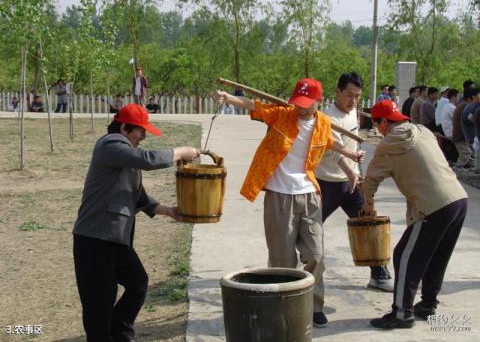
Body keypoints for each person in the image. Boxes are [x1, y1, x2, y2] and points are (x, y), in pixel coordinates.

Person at [215, 78, 365, 327]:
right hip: (279, 196)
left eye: (307, 104)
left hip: (309, 195)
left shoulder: (324, 122)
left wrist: (350, 157)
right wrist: (228, 98)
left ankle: (314, 306)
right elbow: (252, 105)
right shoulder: (281, 115)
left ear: (319, 101)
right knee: (282, 261)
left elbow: (329, 142)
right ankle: (284, 306)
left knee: (315, 255)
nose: (301, 108)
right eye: (298, 102)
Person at [72, 104, 200, 341]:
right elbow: (147, 160)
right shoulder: (110, 144)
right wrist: (180, 152)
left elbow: (137, 196)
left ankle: (120, 329)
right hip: (94, 239)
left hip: (115, 238)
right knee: (99, 305)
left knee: (138, 283)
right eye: (139, 131)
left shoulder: (124, 153)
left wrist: (168, 211)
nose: (143, 136)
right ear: (123, 127)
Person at [361, 100, 468, 329]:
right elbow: (419, 163)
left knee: (404, 256)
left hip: (433, 206)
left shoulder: (388, 143)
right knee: (436, 256)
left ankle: (402, 313)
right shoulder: (423, 131)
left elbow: (370, 180)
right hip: (458, 199)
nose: (378, 129)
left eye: (377, 123)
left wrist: (368, 203)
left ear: (384, 122)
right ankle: (428, 304)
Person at [315, 72, 394, 292]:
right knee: (310, 228)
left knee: (368, 225)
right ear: (337, 92)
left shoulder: (352, 115)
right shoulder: (327, 119)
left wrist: (357, 175)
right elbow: (335, 152)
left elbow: (352, 149)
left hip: (352, 184)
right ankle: (297, 272)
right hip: (327, 183)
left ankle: (378, 274)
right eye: (349, 95)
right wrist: (351, 174)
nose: (353, 101)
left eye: (357, 96)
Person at [453, 88, 475, 168]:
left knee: (467, 156)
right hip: (461, 136)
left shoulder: (462, 105)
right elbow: (470, 120)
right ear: (470, 98)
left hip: (460, 136)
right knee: (465, 155)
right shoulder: (466, 106)